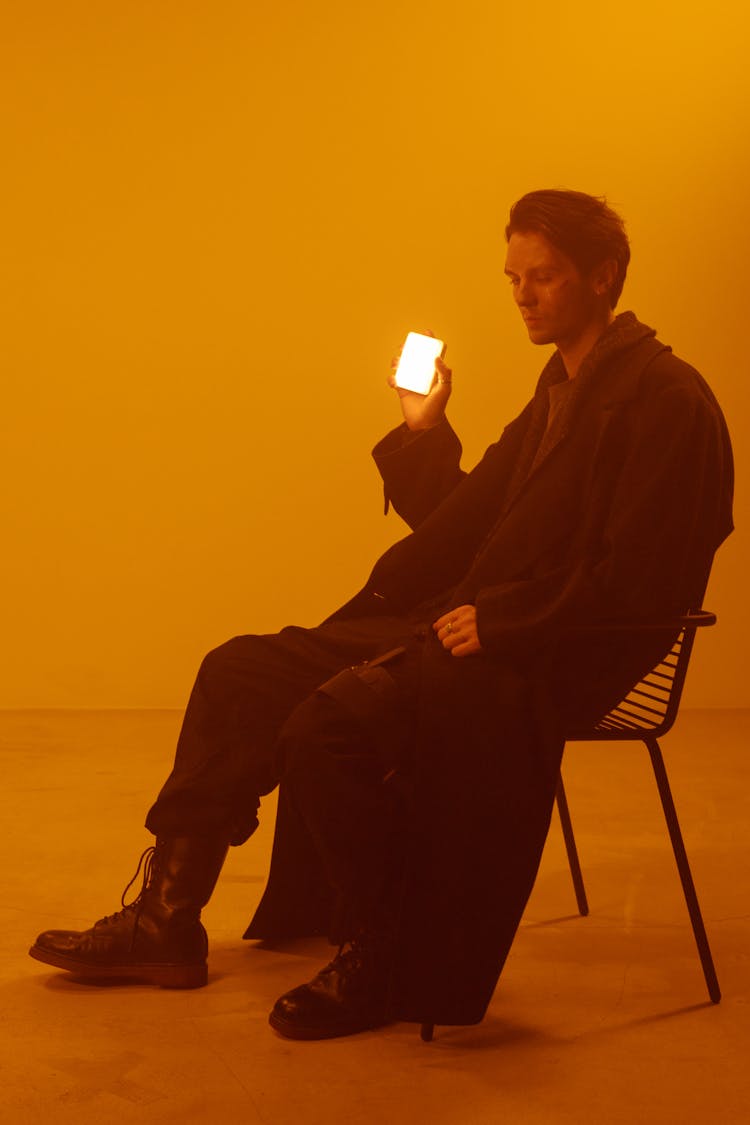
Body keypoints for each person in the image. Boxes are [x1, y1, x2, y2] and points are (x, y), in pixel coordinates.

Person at [29, 189, 734, 1040]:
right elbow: (472, 525)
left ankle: (379, 953)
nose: (521, 295)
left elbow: (645, 578)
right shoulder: (560, 393)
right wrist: (425, 431)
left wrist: (510, 622)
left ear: (603, 275)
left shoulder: (664, 398)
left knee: (331, 725)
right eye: (513, 277)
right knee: (239, 670)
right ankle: (165, 920)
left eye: (542, 277)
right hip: (467, 624)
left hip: (551, 656)